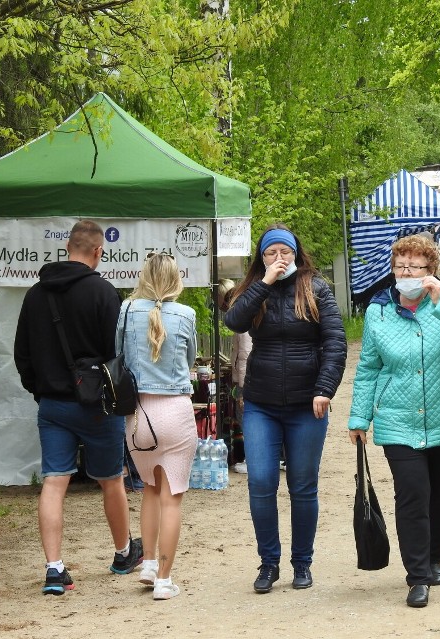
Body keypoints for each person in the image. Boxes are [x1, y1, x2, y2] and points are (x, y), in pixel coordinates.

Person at [347, 234, 440, 608]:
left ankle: (438, 557)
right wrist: (359, 418)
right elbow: (368, 368)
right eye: (400, 266)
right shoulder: (378, 310)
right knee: (412, 495)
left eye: (414, 267)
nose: (406, 273)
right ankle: (418, 576)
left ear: (431, 271)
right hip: (397, 420)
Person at [14, 220, 142, 596]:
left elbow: (22, 354)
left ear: (67, 248)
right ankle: (123, 554)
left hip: (53, 406)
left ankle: (54, 569)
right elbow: (118, 354)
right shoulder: (105, 293)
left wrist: (41, 392)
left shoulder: (35, 295)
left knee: (54, 481)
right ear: (98, 252)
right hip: (98, 407)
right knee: (111, 480)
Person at [224, 224, 347, 594]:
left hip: (306, 403)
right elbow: (234, 321)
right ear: (261, 258)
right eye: (271, 253)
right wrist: (264, 282)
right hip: (261, 403)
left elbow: (335, 342)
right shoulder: (253, 289)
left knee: (302, 486)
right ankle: (268, 563)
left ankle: (302, 563)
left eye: (285, 252)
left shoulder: (316, 288)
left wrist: (325, 389)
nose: (280, 258)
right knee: (261, 483)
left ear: (297, 253)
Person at [117, 252, 198, 600]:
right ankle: (164, 580)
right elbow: (190, 358)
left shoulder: (126, 309)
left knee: (149, 488)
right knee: (172, 499)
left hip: (137, 415)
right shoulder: (186, 314)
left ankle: (149, 563)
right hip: (175, 411)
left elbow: (117, 353)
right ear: (175, 279)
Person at [218, 278, 253, 474]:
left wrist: (242, 385)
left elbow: (245, 352)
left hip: (246, 379)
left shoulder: (242, 312)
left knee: (246, 417)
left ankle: (250, 459)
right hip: (245, 377)